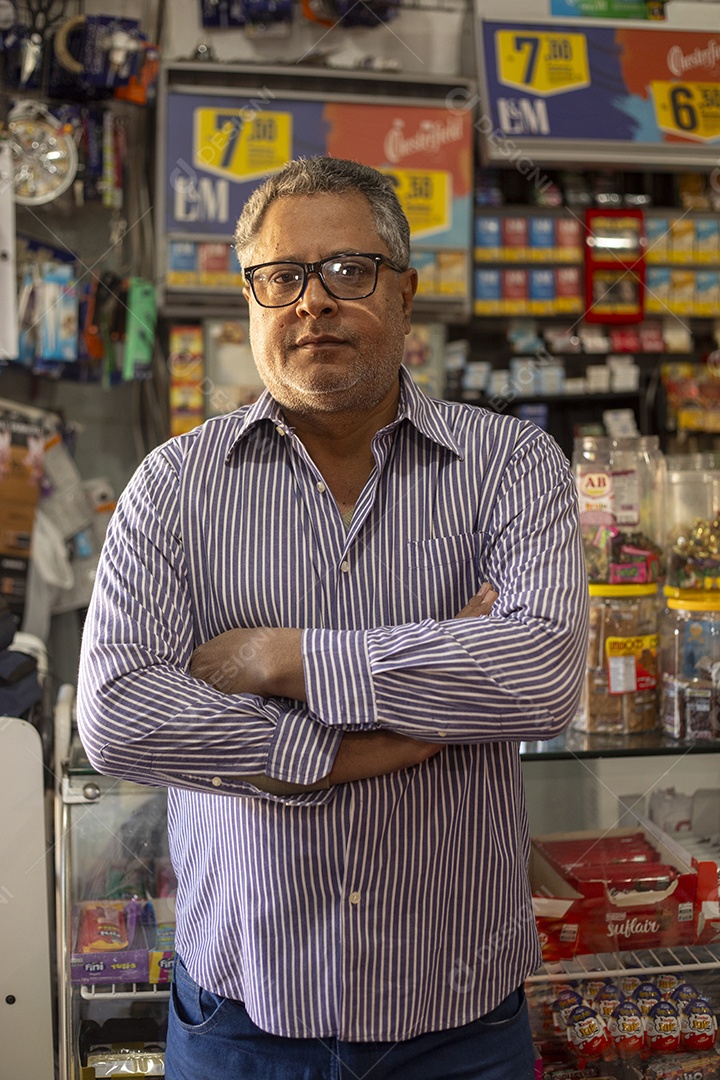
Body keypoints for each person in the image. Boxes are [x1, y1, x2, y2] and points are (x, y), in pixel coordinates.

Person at [77, 156, 589, 1080]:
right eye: (281, 277)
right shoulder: (172, 487)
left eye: (347, 271)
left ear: (404, 294)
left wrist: (278, 657)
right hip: (243, 1017)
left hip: (459, 1019)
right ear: (253, 304)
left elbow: (542, 675)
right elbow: (117, 717)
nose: (312, 301)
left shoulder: (512, 467)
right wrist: (351, 747)